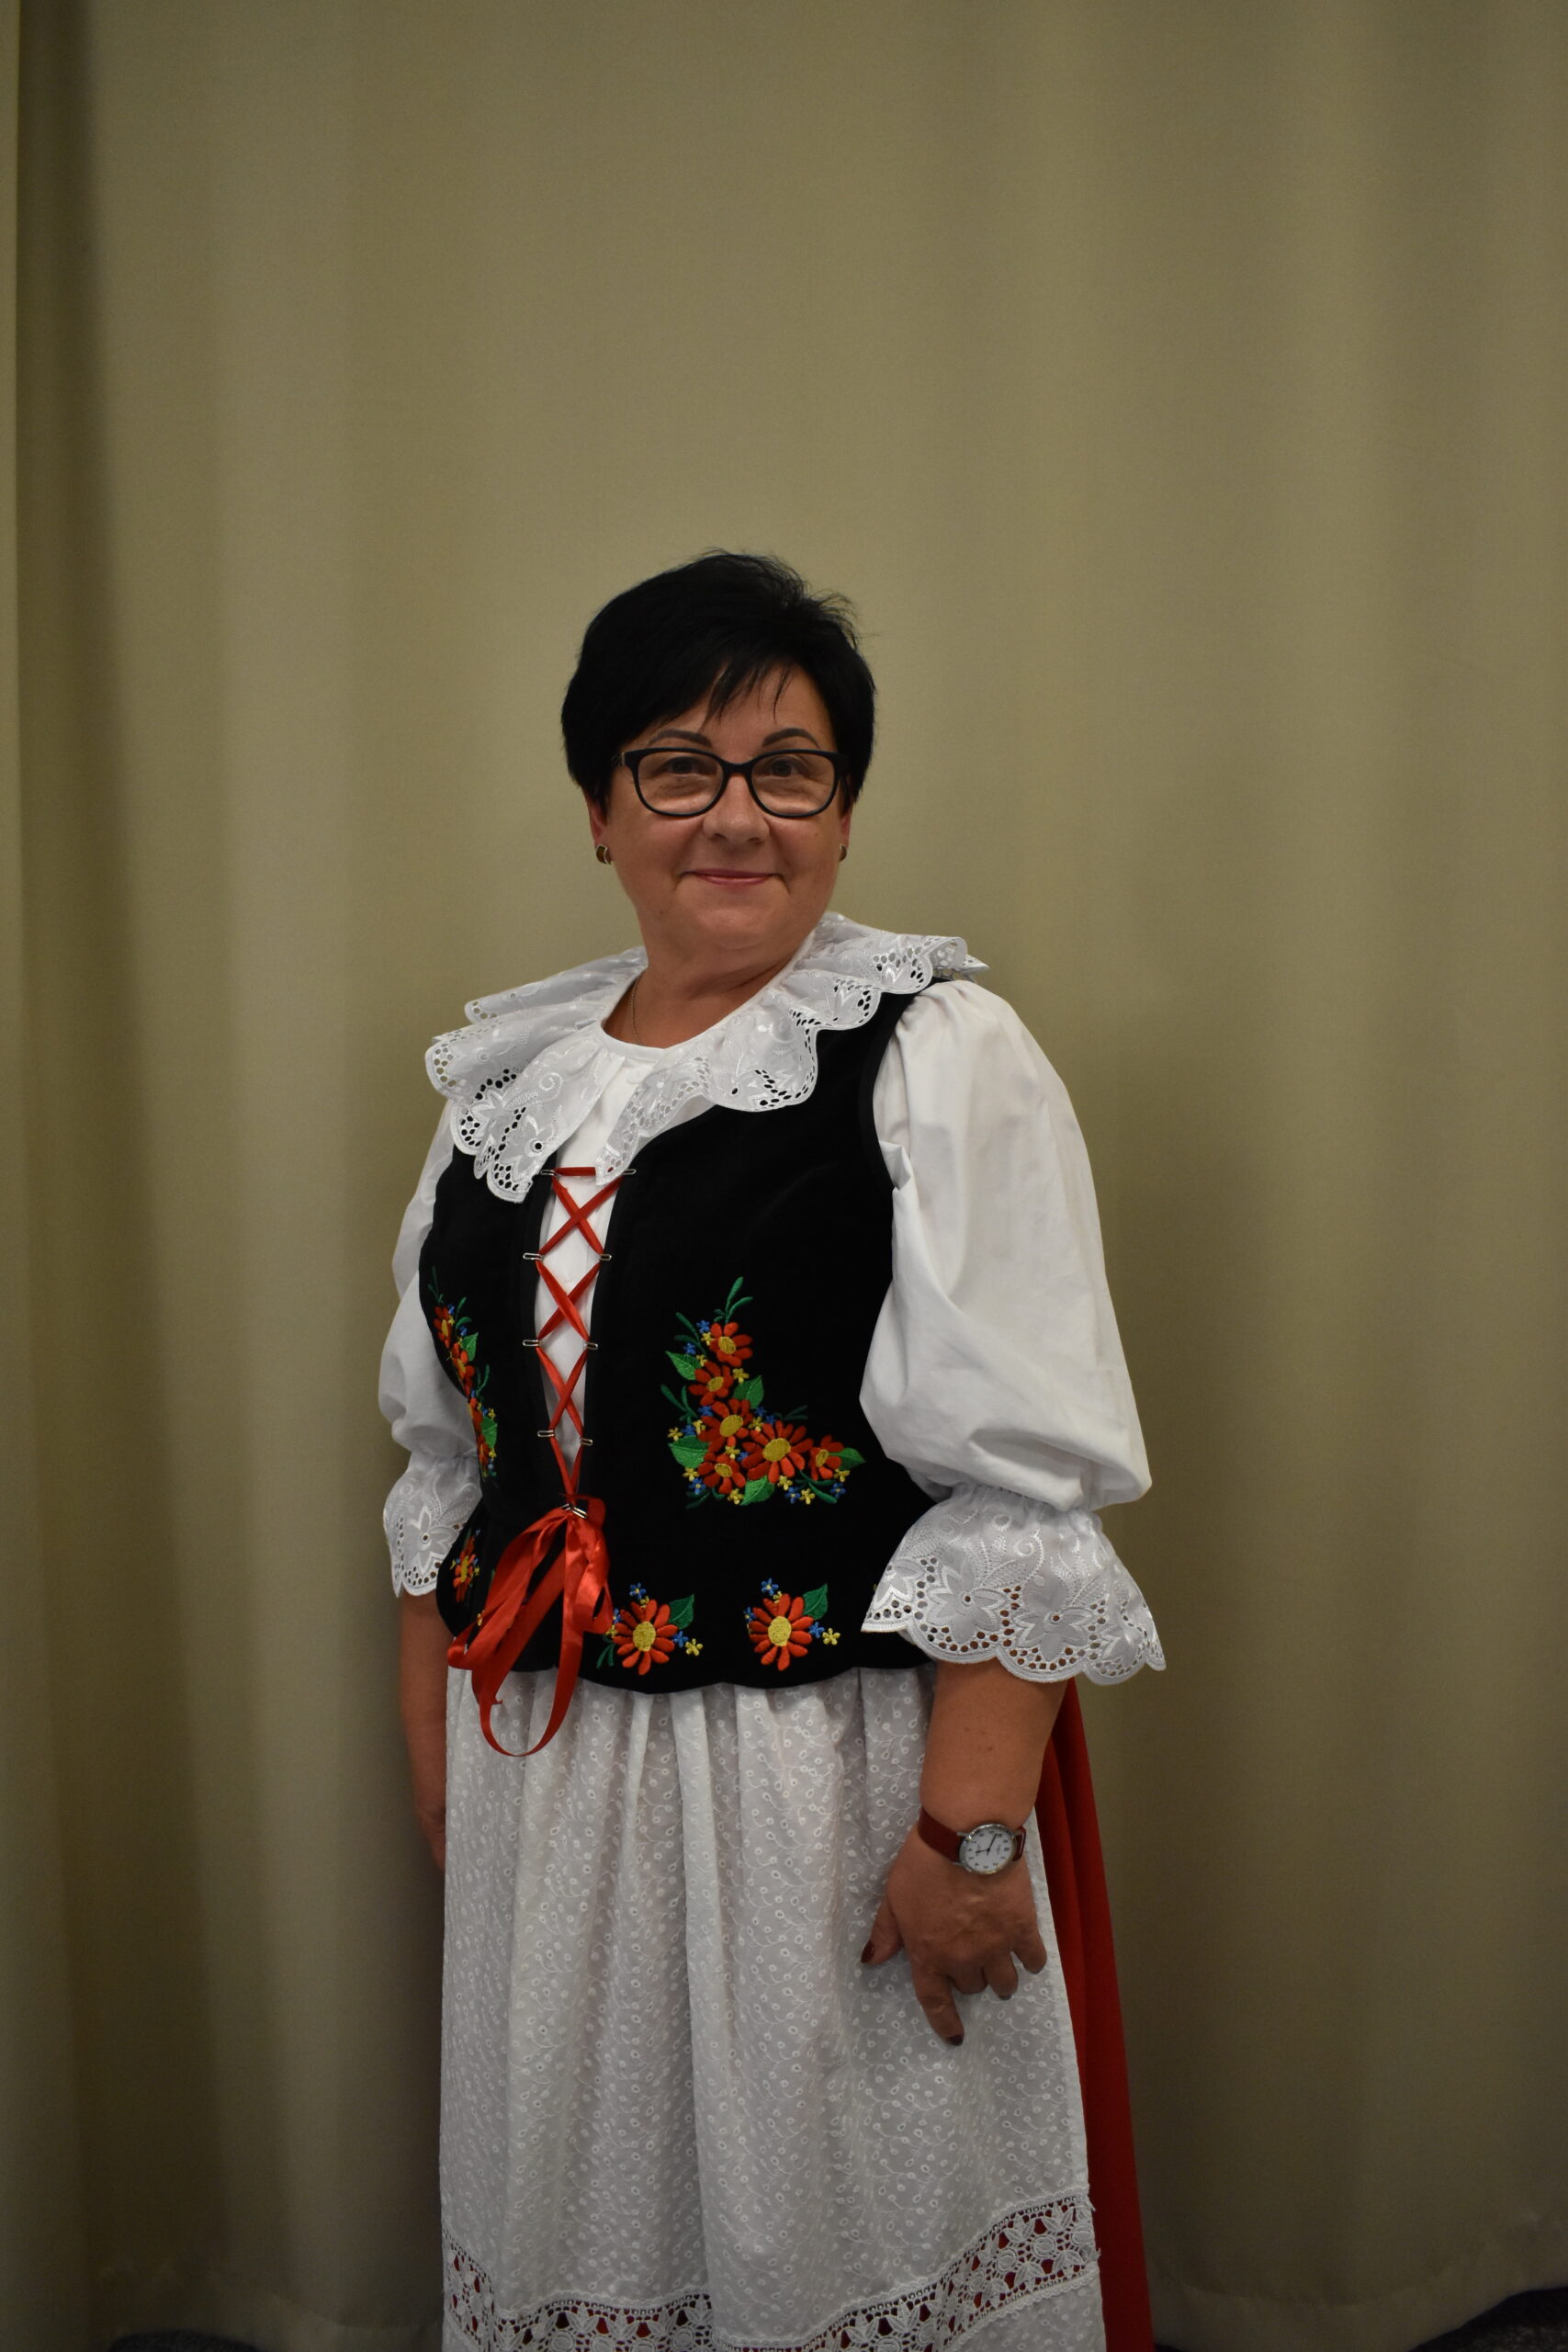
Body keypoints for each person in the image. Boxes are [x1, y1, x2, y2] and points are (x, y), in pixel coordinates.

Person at [379, 551, 1164, 2352]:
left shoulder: (936, 1054)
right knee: (591, 2212)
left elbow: (1021, 1489)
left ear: (843, 810)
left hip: (821, 1778)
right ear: (599, 809)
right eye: (678, 766)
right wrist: (442, 1764)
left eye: (787, 769)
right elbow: (447, 1464)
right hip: (553, 1772)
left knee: (829, 2224)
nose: (735, 815)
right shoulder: (504, 1084)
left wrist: (969, 1837)